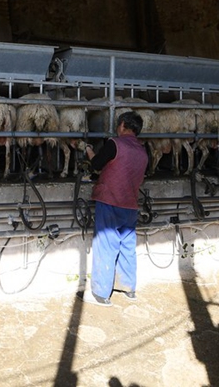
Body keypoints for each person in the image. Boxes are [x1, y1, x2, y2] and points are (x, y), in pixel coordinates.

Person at [82, 111, 148, 306]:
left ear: (121, 125)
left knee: (106, 244)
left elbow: (96, 164)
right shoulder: (144, 151)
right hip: (130, 204)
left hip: (110, 201)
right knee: (127, 245)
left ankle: (101, 294)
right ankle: (128, 288)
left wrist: (89, 151)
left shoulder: (115, 144)